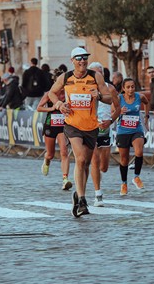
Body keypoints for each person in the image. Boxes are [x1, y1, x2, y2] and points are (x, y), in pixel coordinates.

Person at [48, 47, 118, 218]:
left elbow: (109, 99)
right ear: (72, 60)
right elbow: (51, 93)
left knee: (85, 164)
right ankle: (82, 200)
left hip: (91, 126)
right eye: (79, 58)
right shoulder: (65, 77)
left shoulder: (95, 77)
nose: (82, 61)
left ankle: (78, 195)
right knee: (79, 159)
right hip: (72, 125)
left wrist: (99, 97)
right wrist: (59, 104)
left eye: (85, 58)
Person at [89, 62, 120, 206]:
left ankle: (97, 177)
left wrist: (110, 121)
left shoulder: (110, 88)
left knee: (104, 166)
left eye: (99, 73)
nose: (96, 76)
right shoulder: (84, 88)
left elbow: (118, 109)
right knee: (94, 160)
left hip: (105, 128)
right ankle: (98, 194)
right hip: (90, 127)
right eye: (94, 73)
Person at [116, 78, 150, 195]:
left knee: (139, 151)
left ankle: (136, 177)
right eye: (128, 87)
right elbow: (113, 113)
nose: (131, 89)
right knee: (124, 159)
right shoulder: (119, 99)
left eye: (132, 87)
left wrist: (146, 117)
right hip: (123, 131)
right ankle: (124, 183)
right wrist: (119, 111)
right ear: (123, 89)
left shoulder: (139, 97)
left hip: (136, 129)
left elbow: (147, 103)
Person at [37, 88, 72, 190]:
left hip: (63, 126)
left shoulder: (68, 93)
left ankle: (65, 179)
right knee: (50, 154)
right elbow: (39, 108)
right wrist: (51, 109)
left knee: (64, 152)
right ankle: (47, 160)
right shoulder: (49, 94)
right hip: (50, 125)